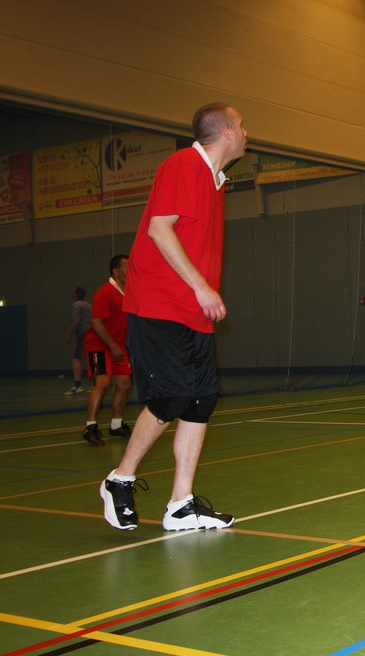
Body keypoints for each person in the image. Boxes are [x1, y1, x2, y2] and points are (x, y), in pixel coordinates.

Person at [100, 103, 246, 531]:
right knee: (171, 396)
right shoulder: (184, 164)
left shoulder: (216, 182)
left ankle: (181, 503)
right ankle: (119, 479)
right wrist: (201, 286)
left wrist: (201, 295)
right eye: (241, 125)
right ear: (225, 132)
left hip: (193, 312)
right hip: (160, 304)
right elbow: (159, 228)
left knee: (201, 400)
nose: (246, 132)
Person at [81, 254, 133, 446]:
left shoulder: (128, 293)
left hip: (118, 346)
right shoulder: (105, 292)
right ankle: (90, 428)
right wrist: (112, 346)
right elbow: (96, 323)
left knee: (124, 383)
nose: (131, 270)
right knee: (102, 382)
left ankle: (116, 425)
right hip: (99, 344)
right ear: (116, 272)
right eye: (127, 267)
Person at [64, 286, 91, 395]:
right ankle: (97, 384)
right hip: (92, 333)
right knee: (92, 357)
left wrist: (69, 335)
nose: (71, 294)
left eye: (72, 292)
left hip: (82, 334)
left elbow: (76, 321)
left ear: (76, 294)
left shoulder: (76, 305)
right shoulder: (89, 305)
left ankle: (78, 385)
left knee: (76, 358)